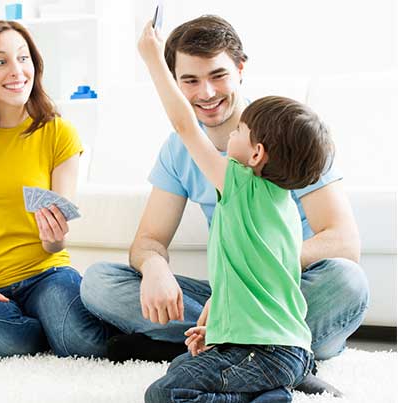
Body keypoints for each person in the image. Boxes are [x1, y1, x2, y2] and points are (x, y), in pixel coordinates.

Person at [80, 14, 367, 392]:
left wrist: (255, 273)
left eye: (217, 75)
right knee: (100, 282)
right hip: (225, 296)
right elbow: (148, 239)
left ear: (240, 69)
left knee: (347, 280)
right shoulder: (180, 152)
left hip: (288, 291)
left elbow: (344, 243)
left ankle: (241, 350)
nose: (206, 93)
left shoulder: (288, 134)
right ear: (176, 82)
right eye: (190, 80)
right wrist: (154, 267)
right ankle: (256, 353)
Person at [138, 19, 331, 402]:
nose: (231, 137)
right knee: (182, 368)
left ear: (256, 153)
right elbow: (256, 287)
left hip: (265, 351)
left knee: (164, 393)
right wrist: (218, 329)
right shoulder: (281, 205)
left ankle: (263, 394)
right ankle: (270, 389)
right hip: (283, 344)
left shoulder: (241, 183)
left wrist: (153, 60)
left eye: (240, 132)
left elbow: (184, 125)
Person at [0, 20, 113, 359]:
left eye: (24, 58)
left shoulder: (59, 133)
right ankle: (49, 330)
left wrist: (54, 236)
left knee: (82, 342)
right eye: (1, 61)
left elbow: (58, 241)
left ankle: (56, 326)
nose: (17, 71)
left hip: (48, 274)